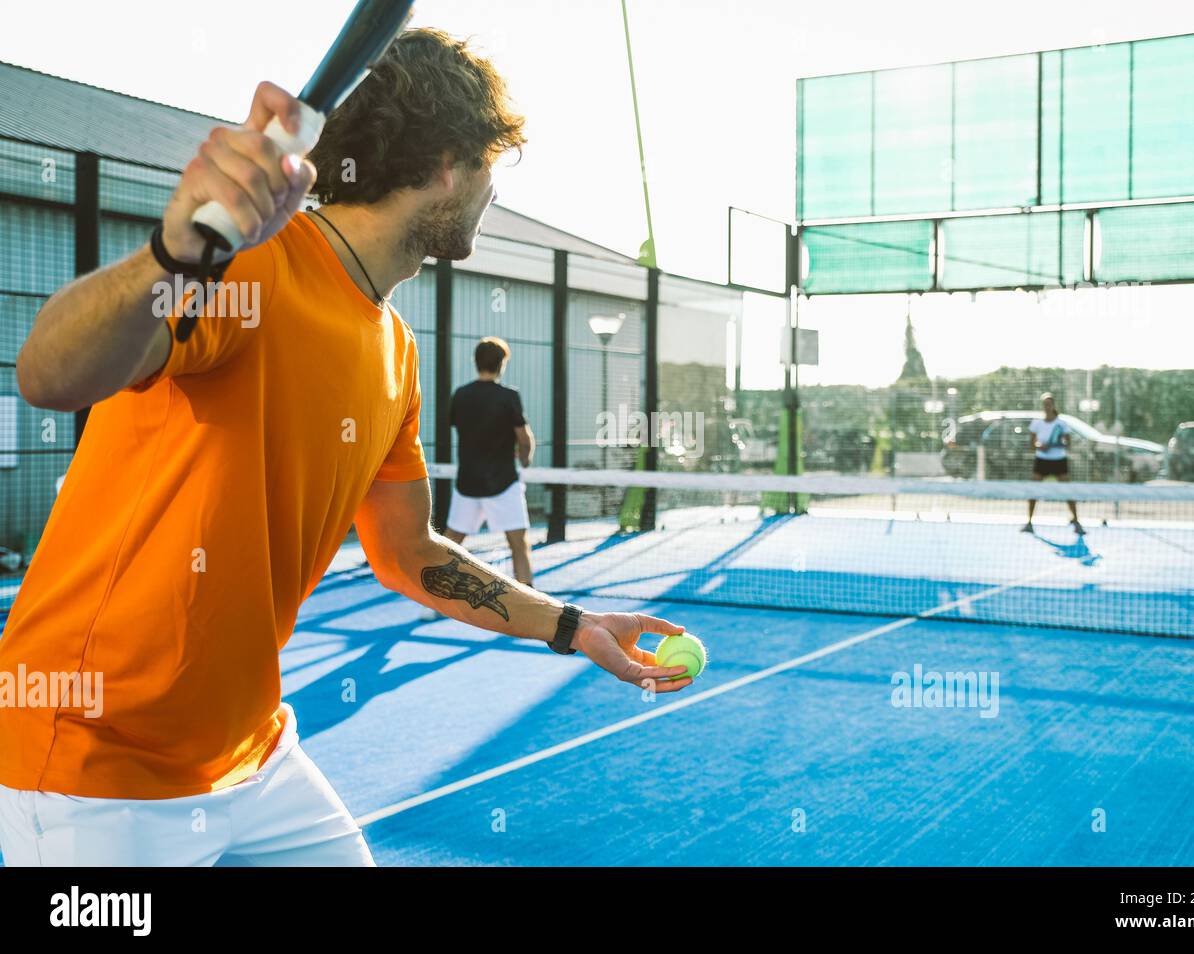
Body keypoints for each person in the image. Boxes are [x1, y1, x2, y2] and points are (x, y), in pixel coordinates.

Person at [0, 28, 690, 868]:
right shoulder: (250, 270)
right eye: (488, 173)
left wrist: (572, 625)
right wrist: (173, 251)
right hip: (92, 768)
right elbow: (47, 373)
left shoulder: (395, 349)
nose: (490, 199)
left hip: (252, 754)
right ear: (446, 164)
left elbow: (406, 554)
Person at [446, 336, 534, 584]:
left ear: (476, 362)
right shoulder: (509, 396)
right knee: (519, 545)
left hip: (467, 484)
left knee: (450, 547)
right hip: (504, 483)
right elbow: (524, 440)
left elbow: (464, 428)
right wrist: (525, 459)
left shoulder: (460, 395)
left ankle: (430, 604)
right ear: (502, 364)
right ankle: (533, 606)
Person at [1023, 392, 1084, 536]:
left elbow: (1068, 443)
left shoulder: (1061, 424)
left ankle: (1076, 521)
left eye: (1049, 404)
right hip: (1041, 461)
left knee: (1067, 491)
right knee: (1033, 490)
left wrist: (1056, 443)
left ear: (1053, 405)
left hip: (1059, 461)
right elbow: (1032, 445)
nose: (1047, 407)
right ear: (1042, 406)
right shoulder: (1036, 423)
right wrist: (1040, 446)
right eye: (1045, 404)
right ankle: (1029, 522)